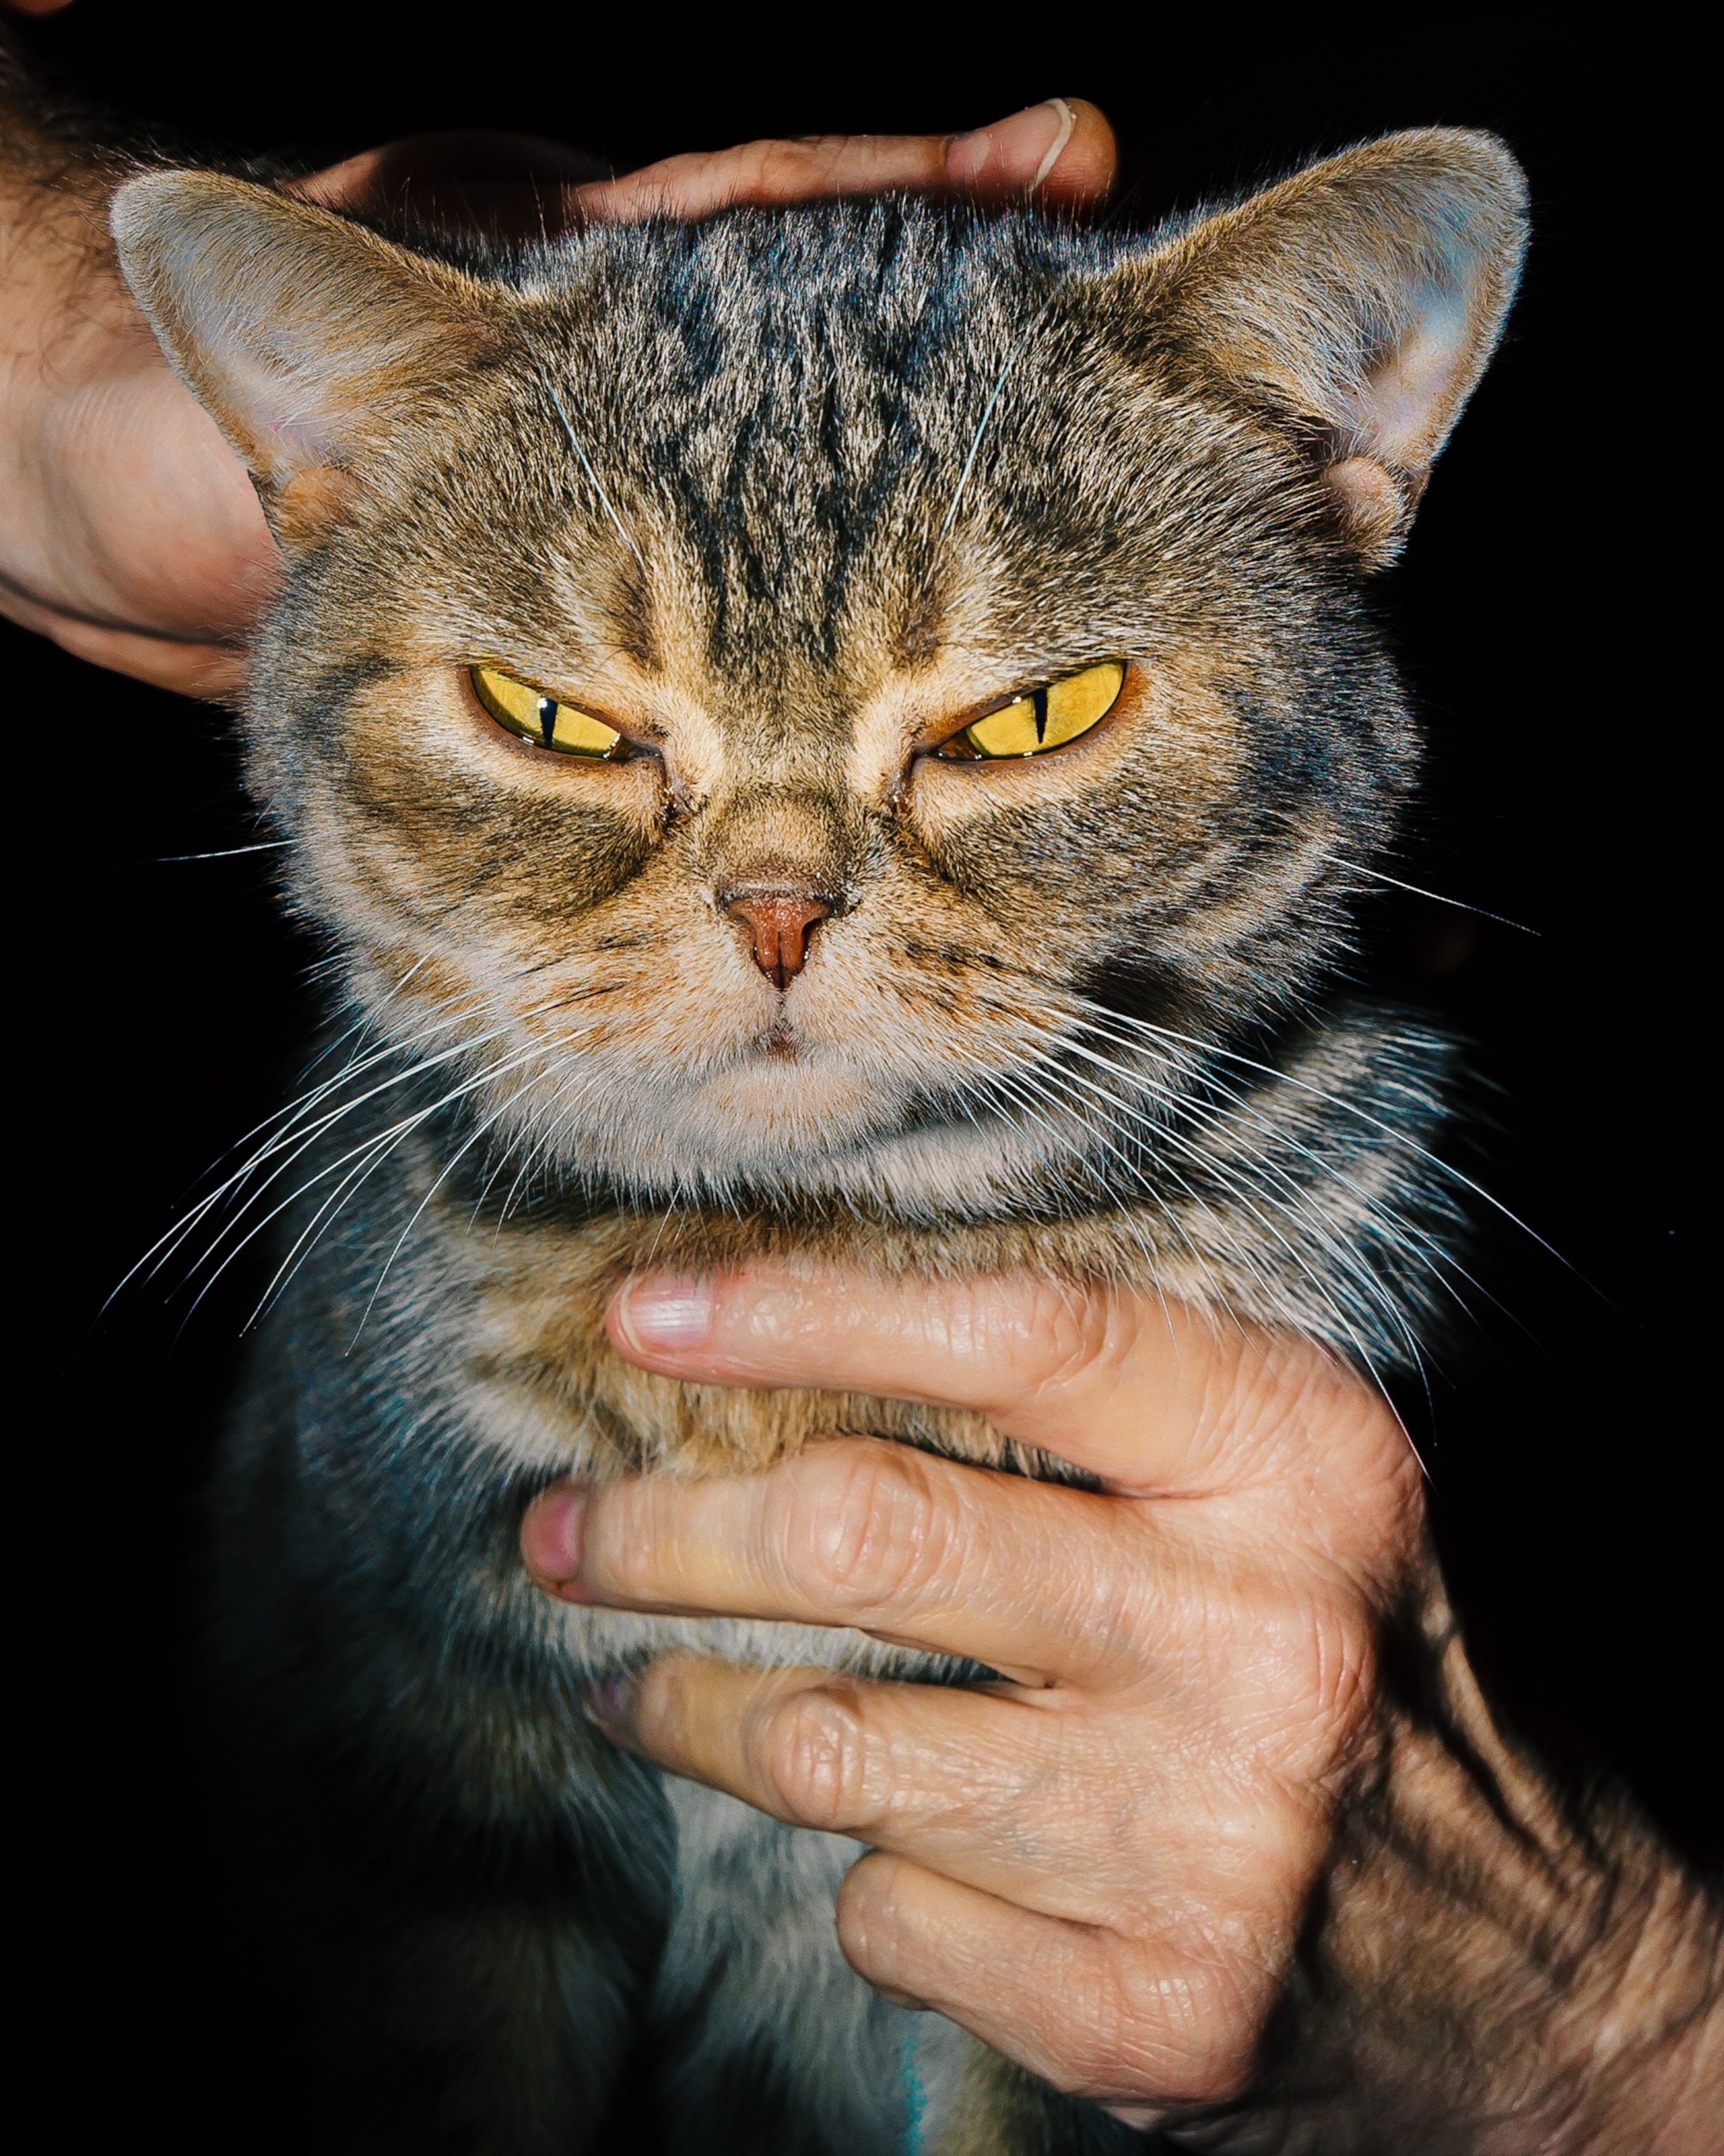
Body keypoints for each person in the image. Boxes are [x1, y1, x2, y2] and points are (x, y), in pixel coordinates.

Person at [3, 27, 1718, 2147]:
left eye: (1020, 721)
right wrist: (55, 339)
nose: (776, 901)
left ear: (1325, 446)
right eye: (562, 719)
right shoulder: (405, 1193)